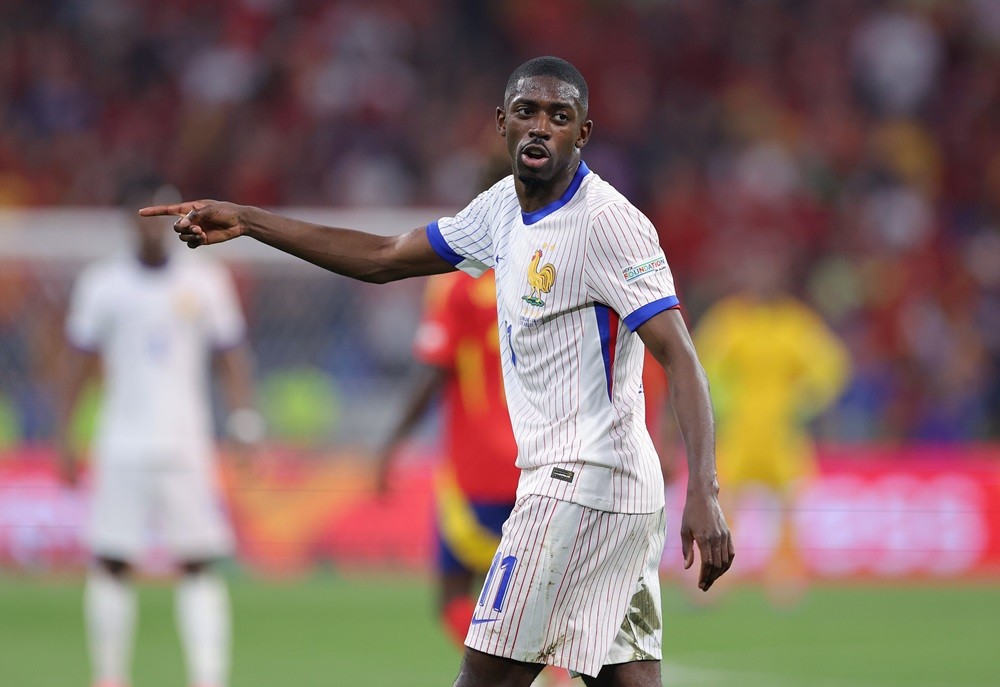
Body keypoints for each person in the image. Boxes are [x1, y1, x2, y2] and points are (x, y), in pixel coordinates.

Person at [143, 56, 733, 687]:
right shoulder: (503, 209)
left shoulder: (608, 224)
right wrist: (251, 221)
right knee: (626, 681)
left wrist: (705, 489)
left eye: (559, 117)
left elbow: (680, 356)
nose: (541, 127)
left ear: (582, 133)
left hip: (580, 486)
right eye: (527, 112)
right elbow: (384, 257)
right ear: (501, 123)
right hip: (606, 490)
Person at [57, 178, 263, 687]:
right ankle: (109, 676)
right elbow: (78, 364)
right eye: (141, 217)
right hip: (120, 442)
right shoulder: (102, 284)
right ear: (127, 220)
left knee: (197, 562)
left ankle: (207, 678)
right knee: (110, 561)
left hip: (185, 444)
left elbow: (231, 356)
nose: (152, 230)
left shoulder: (203, 281)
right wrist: (65, 433)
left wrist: (243, 422)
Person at [693, 241, 849, 604]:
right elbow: (702, 365)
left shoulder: (794, 323)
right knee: (720, 505)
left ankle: (786, 577)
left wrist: (804, 401)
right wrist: (723, 402)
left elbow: (831, 366)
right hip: (742, 432)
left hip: (781, 433)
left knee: (791, 506)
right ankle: (713, 580)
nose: (762, 282)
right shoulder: (731, 320)